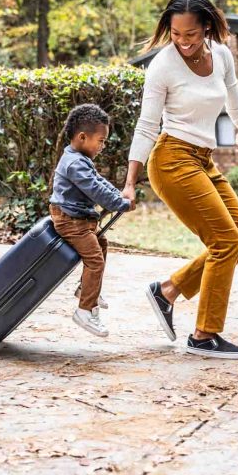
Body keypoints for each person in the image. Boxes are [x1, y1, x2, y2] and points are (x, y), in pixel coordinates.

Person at [121, 0, 238, 360]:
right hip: (171, 160)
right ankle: (203, 335)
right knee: (225, 242)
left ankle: (167, 290)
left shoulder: (223, 56)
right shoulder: (163, 65)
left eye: (191, 35)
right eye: (176, 34)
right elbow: (146, 126)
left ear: (207, 27)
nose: (183, 42)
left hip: (202, 160)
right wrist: (130, 183)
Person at [49, 104, 135, 338]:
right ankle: (85, 310)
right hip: (70, 221)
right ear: (82, 137)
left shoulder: (79, 158)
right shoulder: (75, 163)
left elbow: (99, 181)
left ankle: (87, 290)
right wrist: (119, 203)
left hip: (78, 219)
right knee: (95, 260)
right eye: (101, 140)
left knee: (101, 244)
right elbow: (94, 189)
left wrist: (119, 196)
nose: (103, 146)